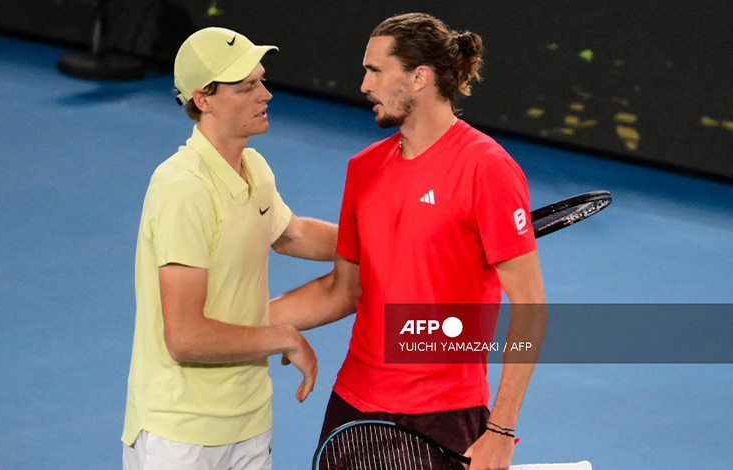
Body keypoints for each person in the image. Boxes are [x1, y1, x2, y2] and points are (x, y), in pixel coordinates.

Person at [270, 13, 547, 470]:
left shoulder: (487, 169)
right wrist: (248, 326)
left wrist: (500, 430)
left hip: (446, 415)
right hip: (353, 407)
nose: (363, 84)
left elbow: (531, 308)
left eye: (376, 71)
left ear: (420, 77)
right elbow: (342, 289)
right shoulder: (363, 170)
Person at [121, 27, 337, 470]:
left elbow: (292, 234)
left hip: (250, 423)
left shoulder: (253, 167)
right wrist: (284, 337)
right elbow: (185, 337)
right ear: (204, 99)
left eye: (261, 81)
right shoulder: (182, 188)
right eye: (247, 87)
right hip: (180, 435)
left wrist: (391, 240)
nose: (266, 95)